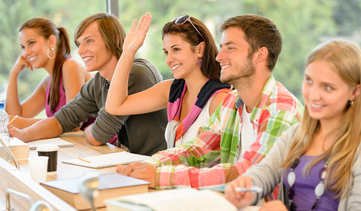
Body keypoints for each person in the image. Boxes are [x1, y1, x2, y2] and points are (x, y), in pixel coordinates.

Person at [116, 14, 303, 194]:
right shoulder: (232, 103)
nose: (219, 56)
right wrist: (146, 167)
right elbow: (196, 150)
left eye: (230, 48)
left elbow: (247, 174)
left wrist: (160, 177)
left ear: (260, 54)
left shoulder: (280, 109)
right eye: (222, 48)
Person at [225, 40, 361, 210]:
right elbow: (264, 173)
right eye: (309, 81)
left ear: (355, 92)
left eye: (327, 87)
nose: (314, 95)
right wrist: (245, 188)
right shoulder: (294, 135)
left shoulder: (357, 148)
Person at [9, 13, 167, 155]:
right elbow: (60, 120)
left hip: (156, 164)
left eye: (89, 41)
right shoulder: (98, 82)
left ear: (115, 40)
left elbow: (99, 135)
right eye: (79, 44)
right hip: (131, 162)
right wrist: (22, 135)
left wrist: (91, 130)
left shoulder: (137, 72)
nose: (81, 51)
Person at [106, 14, 231, 148]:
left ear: (200, 50)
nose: (169, 59)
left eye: (176, 49)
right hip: (170, 168)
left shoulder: (219, 100)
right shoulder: (173, 90)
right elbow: (114, 107)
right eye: (166, 52)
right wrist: (128, 52)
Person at [5, 17, 94, 130]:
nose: (26, 52)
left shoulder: (71, 66)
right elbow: (16, 116)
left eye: (31, 43)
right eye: (23, 47)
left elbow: (74, 123)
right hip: (77, 145)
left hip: (102, 146)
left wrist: (21, 123)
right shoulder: (49, 81)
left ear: (51, 41)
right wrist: (14, 73)